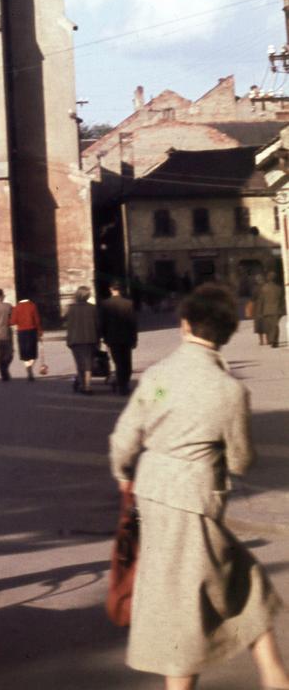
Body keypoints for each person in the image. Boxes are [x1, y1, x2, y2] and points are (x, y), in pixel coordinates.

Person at [109, 282, 287, 690]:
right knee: (191, 602)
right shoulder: (230, 390)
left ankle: (274, 673)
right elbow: (242, 459)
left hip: (154, 493)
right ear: (226, 334)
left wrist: (124, 474)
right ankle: (271, 676)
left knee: (241, 581)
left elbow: (124, 438)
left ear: (184, 324)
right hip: (196, 502)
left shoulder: (158, 375)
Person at [99, 279, 139, 394]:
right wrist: (135, 339)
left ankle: (122, 386)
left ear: (111, 289)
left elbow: (103, 323)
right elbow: (133, 322)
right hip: (126, 338)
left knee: (118, 362)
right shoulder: (128, 303)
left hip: (112, 338)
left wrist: (103, 336)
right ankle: (124, 384)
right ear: (121, 290)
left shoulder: (105, 304)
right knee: (127, 362)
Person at [65, 285, 100, 394]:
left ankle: (82, 384)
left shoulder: (70, 308)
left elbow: (69, 325)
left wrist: (69, 339)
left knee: (80, 363)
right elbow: (97, 325)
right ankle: (88, 386)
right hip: (90, 339)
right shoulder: (93, 308)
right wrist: (98, 338)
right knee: (88, 363)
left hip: (75, 340)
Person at [9, 295, 42, 380]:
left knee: (24, 353)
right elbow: (37, 320)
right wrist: (40, 331)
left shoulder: (17, 307)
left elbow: (13, 321)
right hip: (32, 331)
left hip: (22, 332)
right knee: (32, 352)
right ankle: (30, 368)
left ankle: (28, 369)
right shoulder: (32, 306)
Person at [253, 271, 285, 350]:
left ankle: (271, 339)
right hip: (276, 309)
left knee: (269, 326)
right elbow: (282, 300)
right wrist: (282, 310)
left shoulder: (264, 288)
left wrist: (259, 311)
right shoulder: (279, 288)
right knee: (275, 326)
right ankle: (274, 340)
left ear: (268, 278)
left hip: (266, 310)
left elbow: (261, 300)